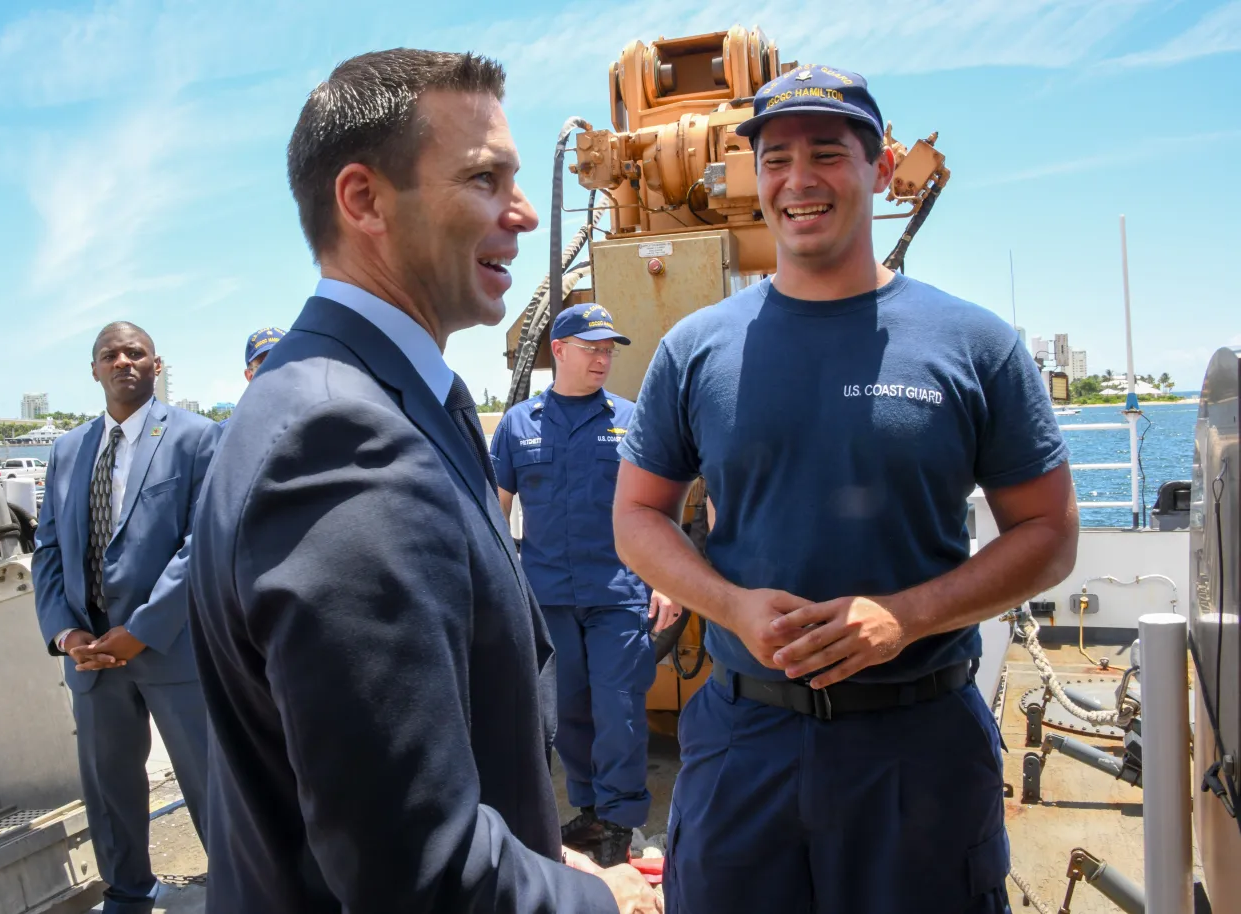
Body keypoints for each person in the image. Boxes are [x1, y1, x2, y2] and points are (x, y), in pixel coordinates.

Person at [186, 48, 659, 914]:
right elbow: (417, 866)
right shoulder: (338, 441)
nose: (520, 213)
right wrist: (606, 904)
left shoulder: (375, 398)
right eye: (485, 179)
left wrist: (546, 857)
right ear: (363, 199)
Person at [612, 64, 1079, 914]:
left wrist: (906, 617)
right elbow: (638, 515)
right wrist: (730, 604)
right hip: (743, 743)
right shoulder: (693, 349)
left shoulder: (975, 344)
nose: (799, 180)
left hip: (919, 748)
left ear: (879, 164)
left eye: (827, 153)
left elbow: (1048, 532)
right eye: (776, 157)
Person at [32, 321, 220, 913]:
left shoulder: (198, 439)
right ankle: (129, 894)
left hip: (171, 648)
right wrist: (67, 634)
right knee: (108, 787)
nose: (123, 362)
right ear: (94, 371)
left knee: (210, 782)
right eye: (109, 355)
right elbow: (48, 551)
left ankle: (246, 887)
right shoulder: (67, 450)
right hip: (91, 658)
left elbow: (204, 543)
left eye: (135, 352)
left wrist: (140, 631)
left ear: (156, 365)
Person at [490, 303, 657, 867]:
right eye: (592, 348)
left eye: (609, 350)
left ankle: (620, 819)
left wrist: (666, 581)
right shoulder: (518, 424)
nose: (603, 359)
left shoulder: (633, 419)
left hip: (618, 592)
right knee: (568, 714)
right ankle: (589, 808)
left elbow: (656, 507)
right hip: (547, 596)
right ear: (558, 350)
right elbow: (497, 509)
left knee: (621, 709)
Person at [219, 326, 286, 427]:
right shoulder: (227, 433)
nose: (275, 372)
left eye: (282, 363)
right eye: (264, 366)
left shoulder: (315, 428)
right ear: (249, 376)